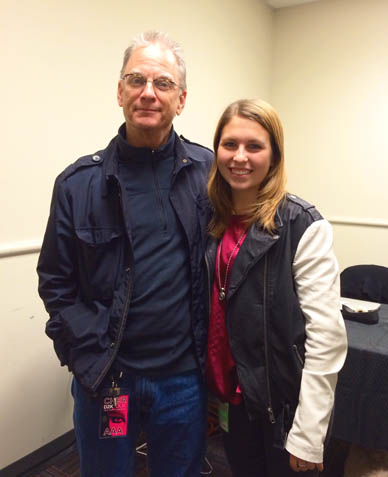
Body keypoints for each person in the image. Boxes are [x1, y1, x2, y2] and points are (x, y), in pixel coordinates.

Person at [37, 31, 213, 477]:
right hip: (111, 383)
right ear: (120, 91)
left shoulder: (208, 174)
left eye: (163, 83)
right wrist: (85, 354)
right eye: (136, 80)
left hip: (183, 384)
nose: (148, 93)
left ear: (182, 99)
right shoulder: (78, 184)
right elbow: (55, 281)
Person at [205, 99, 348, 476]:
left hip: (281, 409)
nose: (240, 156)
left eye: (254, 146)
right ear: (216, 149)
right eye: (230, 144)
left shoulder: (302, 224)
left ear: (274, 155)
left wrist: (308, 432)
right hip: (232, 401)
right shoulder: (211, 219)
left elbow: (326, 337)